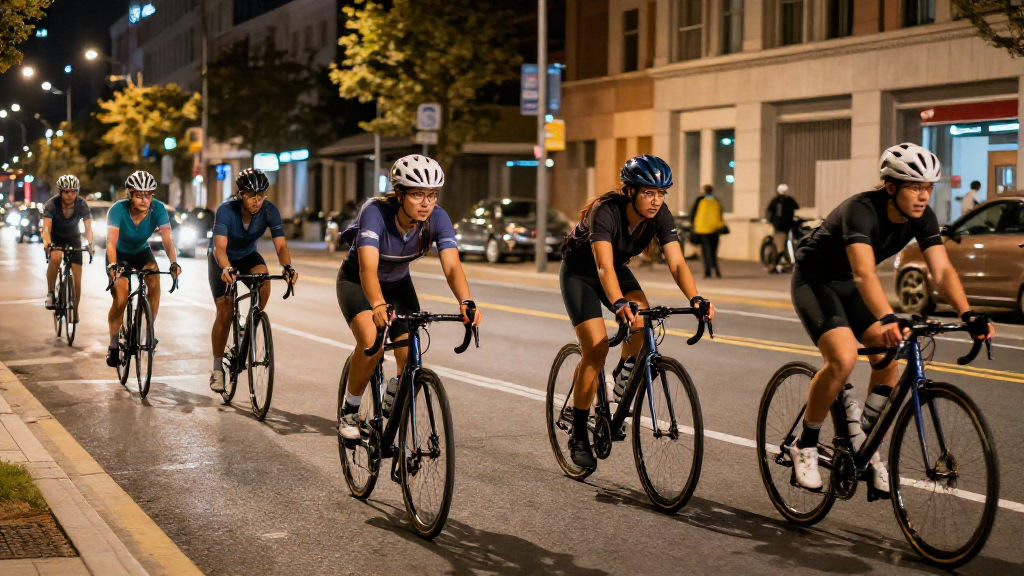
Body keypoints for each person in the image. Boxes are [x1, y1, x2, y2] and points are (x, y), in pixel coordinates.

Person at [788, 143, 995, 493]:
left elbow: (942, 270)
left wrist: (968, 313)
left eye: (928, 188)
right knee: (843, 358)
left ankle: (865, 444)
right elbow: (864, 272)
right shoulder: (860, 211)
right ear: (891, 186)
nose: (922, 196)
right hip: (815, 281)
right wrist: (887, 317)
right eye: (915, 187)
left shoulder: (923, 217)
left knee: (889, 357)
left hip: (851, 287)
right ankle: (805, 444)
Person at [559, 155, 714, 469]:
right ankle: (578, 432)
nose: (656, 201)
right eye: (648, 193)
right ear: (630, 191)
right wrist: (617, 303)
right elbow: (602, 266)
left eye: (661, 194)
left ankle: (621, 375)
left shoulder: (660, 215)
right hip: (581, 275)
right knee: (597, 348)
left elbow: (677, 262)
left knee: (644, 323)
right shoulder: (605, 211)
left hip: (615, 271)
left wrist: (696, 297)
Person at [337, 155, 483, 441]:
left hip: (398, 284)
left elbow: (452, 266)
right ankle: (350, 410)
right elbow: (368, 268)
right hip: (358, 281)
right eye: (418, 194)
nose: (426, 203)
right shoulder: (375, 213)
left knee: (410, 359)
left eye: (432, 195)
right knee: (371, 344)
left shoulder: (437, 218)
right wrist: (377, 304)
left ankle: (393, 393)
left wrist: (466, 301)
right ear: (399, 193)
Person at [208, 169, 297, 393]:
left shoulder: (269, 211)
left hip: (247, 255)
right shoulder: (226, 210)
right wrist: (226, 267)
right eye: (252, 195)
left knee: (264, 280)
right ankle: (217, 368)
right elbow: (219, 248)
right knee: (225, 311)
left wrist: (287, 267)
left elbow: (281, 246)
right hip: (223, 258)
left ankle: (251, 322)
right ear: (241, 195)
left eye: (262, 195)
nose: (257, 200)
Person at [104, 171, 181, 368]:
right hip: (119, 255)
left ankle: (145, 331)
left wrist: (173, 263)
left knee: (154, 282)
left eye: (149, 194)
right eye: (139, 195)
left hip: (141, 252)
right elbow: (111, 242)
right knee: (121, 297)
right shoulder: (117, 210)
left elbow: (167, 240)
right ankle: (113, 345)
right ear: (129, 195)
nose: (145, 199)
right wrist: (113, 265)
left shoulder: (158, 209)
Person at [42, 175, 94, 322]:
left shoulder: (82, 204)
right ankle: (51, 293)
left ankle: (75, 310)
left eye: (73, 191)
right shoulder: (51, 204)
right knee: (56, 256)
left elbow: (88, 226)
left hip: (73, 238)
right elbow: (46, 228)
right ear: (60, 192)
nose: (70, 195)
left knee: (77, 280)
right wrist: (48, 243)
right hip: (56, 238)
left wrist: (90, 243)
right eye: (66, 191)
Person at [691, 184, 724, 278]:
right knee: (713, 250)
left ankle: (707, 271)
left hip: (703, 229)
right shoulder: (716, 200)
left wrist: (693, 224)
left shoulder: (700, 200)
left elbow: (693, 212)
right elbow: (721, 213)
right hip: (715, 229)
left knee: (705, 251)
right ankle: (716, 270)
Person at [766, 183, 800, 271]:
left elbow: (769, 212)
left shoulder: (776, 200)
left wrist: (770, 222)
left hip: (779, 228)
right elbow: (796, 209)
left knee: (780, 247)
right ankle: (774, 266)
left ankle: (776, 265)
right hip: (786, 227)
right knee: (780, 248)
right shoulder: (789, 200)